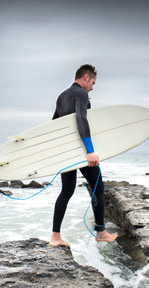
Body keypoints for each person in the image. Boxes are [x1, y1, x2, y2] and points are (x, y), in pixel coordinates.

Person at [49, 64, 118, 247]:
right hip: (80, 150)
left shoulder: (62, 96)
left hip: (67, 151)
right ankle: (101, 232)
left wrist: (58, 152)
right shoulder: (81, 94)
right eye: (93, 82)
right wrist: (90, 150)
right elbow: (81, 118)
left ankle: (55, 237)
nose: (93, 87)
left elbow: (54, 124)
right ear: (86, 77)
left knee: (66, 191)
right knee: (98, 188)